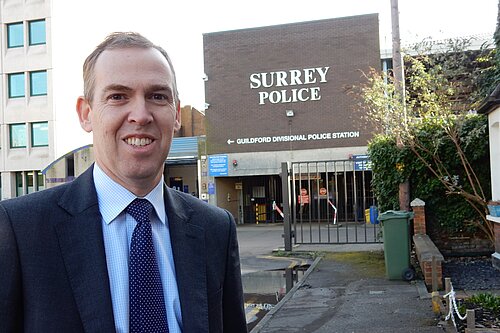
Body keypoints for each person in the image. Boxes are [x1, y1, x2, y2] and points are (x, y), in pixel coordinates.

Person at [0, 32, 247, 333]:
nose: (141, 115)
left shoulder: (215, 228)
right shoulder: (20, 229)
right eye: (118, 96)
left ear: (176, 114)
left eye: (158, 96)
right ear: (86, 113)